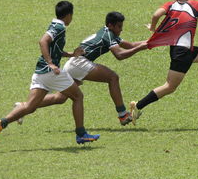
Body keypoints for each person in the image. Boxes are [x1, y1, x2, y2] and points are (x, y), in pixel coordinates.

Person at [0, 1, 100, 145]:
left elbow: (54, 49)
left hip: (40, 72)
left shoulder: (54, 25)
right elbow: (43, 42)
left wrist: (72, 54)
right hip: (50, 72)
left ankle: (1, 123)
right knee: (78, 96)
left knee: (30, 106)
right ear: (68, 15)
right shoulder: (60, 27)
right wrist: (51, 63)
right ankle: (81, 134)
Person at [16, 11, 148, 126]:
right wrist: (140, 48)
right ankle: (122, 114)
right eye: (119, 26)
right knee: (113, 77)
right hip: (79, 63)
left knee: (60, 98)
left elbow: (130, 45)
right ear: (110, 25)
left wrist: (149, 42)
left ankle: (23, 107)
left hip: (73, 64)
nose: (121, 29)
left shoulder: (109, 33)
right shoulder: (108, 34)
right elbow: (119, 55)